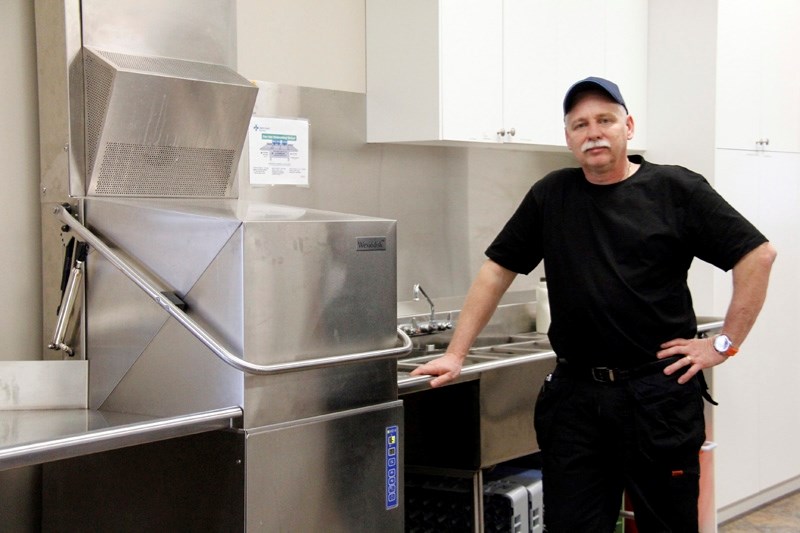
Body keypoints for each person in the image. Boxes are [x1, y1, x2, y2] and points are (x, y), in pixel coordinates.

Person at [409, 76, 777, 532]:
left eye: (605, 120)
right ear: (568, 138)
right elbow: (496, 270)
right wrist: (455, 353)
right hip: (575, 399)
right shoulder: (551, 195)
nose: (594, 132)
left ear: (629, 126)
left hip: (656, 395)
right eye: (580, 124)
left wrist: (722, 345)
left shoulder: (675, 188)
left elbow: (757, 255)